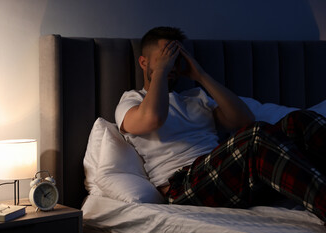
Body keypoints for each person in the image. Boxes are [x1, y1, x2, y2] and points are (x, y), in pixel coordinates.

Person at [115, 26, 326, 223]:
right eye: (164, 57)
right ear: (144, 63)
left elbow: (244, 120)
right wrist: (161, 69)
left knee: (300, 122)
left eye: (175, 58)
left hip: (224, 176)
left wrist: (201, 76)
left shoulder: (196, 97)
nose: (171, 64)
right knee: (255, 137)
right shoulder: (131, 101)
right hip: (184, 187)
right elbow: (153, 118)